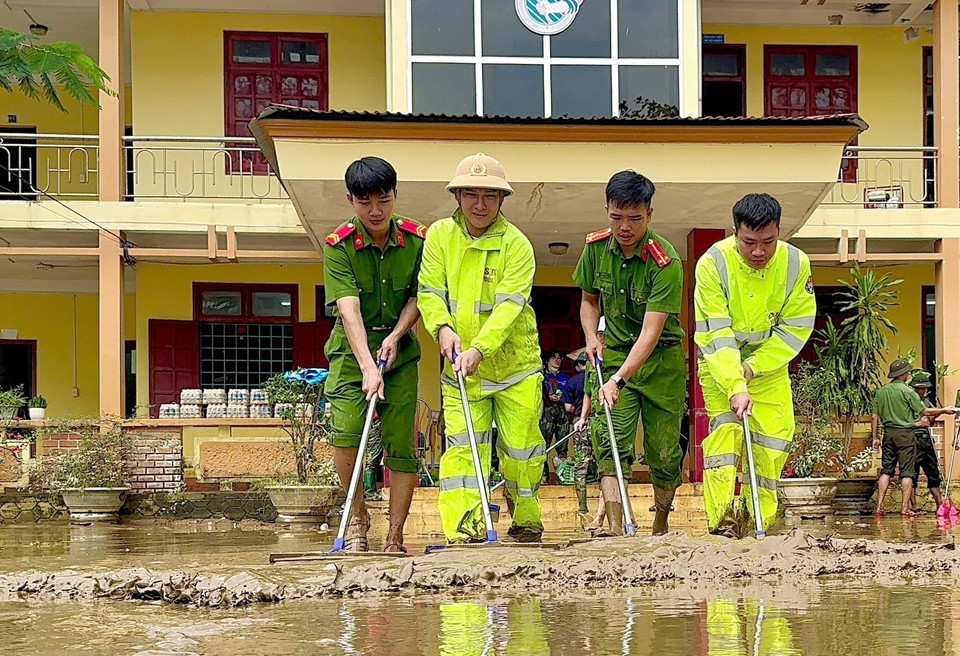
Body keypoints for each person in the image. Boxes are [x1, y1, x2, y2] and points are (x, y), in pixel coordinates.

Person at [418, 153, 547, 544]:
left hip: (515, 369)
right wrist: (441, 329)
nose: (479, 204)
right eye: (470, 194)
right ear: (456, 196)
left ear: (502, 199)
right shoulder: (439, 236)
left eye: (489, 195)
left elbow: (510, 306)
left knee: (521, 451)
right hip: (460, 370)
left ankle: (525, 520)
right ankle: (464, 530)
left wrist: (481, 348)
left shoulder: (517, 245)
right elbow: (429, 291)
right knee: (460, 451)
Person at [694, 193, 816, 538]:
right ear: (735, 233)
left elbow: (796, 328)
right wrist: (735, 384)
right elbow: (715, 332)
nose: (759, 252)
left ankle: (756, 519)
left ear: (779, 231)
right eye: (749, 242)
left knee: (772, 443)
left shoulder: (796, 264)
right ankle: (721, 524)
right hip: (719, 365)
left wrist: (754, 368)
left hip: (769, 367)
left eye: (768, 242)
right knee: (725, 441)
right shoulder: (713, 264)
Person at [322, 156, 427, 553]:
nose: (376, 211)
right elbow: (348, 310)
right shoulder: (339, 246)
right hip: (352, 354)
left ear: (395, 195)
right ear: (351, 200)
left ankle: (395, 534)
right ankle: (358, 518)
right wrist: (368, 366)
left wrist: (398, 336)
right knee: (348, 434)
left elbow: (420, 296)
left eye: (383, 200)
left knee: (401, 443)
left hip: (400, 351)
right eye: (365, 203)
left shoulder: (417, 240)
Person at [574, 170, 687, 536]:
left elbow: (651, 334)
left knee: (664, 452)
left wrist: (620, 378)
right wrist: (592, 335)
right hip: (613, 354)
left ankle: (661, 521)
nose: (624, 227)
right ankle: (621, 524)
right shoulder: (594, 249)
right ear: (606, 209)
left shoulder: (665, 261)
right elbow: (589, 301)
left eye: (635, 219)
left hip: (660, 362)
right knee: (608, 437)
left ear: (649, 215)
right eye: (616, 216)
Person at [872, 360, 953, 516]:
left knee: (886, 471)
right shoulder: (907, 391)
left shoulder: (881, 391)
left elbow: (875, 416)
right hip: (905, 433)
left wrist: (875, 437)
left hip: (888, 433)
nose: (908, 375)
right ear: (902, 374)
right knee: (907, 472)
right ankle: (905, 509)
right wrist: (945, 410)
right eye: (907, 372)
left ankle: (879, 507)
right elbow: (924, 411)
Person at [908, 370, 951, 512]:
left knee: (933, 472)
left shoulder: (926, 400)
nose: (924, 390)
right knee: (912, 473)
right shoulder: (908, 399)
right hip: (913, 438)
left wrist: (934, 416)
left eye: (925, 388)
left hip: (926, 439)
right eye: (922, 388)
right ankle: (913, 506)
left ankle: (940, 505)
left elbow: (931, 418)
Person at [541, 350, 571, 481]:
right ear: (547, 361)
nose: (557, 360)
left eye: (559, 358)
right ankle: (543, 478)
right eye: (553, 357)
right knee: (543, 447)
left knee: (563, 447)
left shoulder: (566, 378)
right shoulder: (541, 377)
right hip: (545, 414)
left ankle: (562, 478)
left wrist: (562, 397)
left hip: (562, 414)